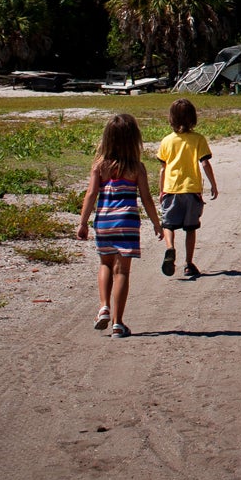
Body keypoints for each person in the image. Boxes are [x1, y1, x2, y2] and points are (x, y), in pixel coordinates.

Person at [77, 113, 162, 337]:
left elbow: (91, 194)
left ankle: (104, 306)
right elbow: (146, 198)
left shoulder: (100, 166)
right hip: (128, 223)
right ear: (134, 140)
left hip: (104, 222)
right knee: (122, 271)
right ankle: (118, 322)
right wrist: (156, 223)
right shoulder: (137, 168)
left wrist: (83, 222)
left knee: (105, 264)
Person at [155, 98, 218, 279]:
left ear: (171, 118)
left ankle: (170, 248)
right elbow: (205, 163)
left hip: (171, 189)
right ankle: (188, 264)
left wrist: (161, 190)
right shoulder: (198, 139)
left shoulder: (167, 141)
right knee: (190, 228)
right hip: (191, 190)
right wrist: (213, 184)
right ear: (192, 118)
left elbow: (163, 168)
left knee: (168, 224)